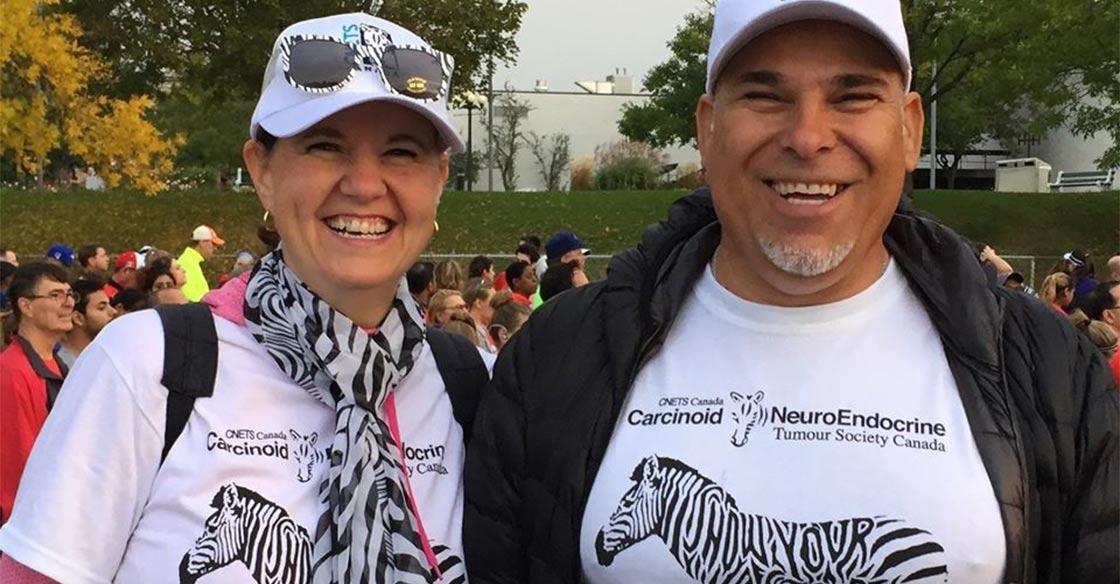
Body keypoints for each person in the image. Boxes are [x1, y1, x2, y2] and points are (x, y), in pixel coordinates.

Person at [464, 1, 1118, 582]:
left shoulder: (1053, 373)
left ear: (911, 128)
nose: (808, 137)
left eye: (853, 96)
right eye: (765, 95)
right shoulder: (554, 361)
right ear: (707, 126)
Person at [0, 12, 483, 583]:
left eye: (402, 152)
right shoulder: (146, 367)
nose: (364, 184)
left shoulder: (467, 381)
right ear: (262, 172)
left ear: (439, 179)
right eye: (325, 145)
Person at [0, 262, 73, 524]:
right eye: (55, 295)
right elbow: (15, 469)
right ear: (26, 306)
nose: (68, 303)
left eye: (69, 294)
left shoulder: (58, 365)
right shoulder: (12, 372)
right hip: (32, 527)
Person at [57, 277, 117, 369]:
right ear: (78, 318)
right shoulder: (62, 365)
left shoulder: (106, 357)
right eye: (101, 308)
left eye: (110, 305)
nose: (113, 311)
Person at [178, 225, 225, 302]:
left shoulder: (191, 261)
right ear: (202, 242)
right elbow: (191, 297)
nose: (215, 248)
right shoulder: (188, 263)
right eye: (213, 244)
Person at [463, 277, 497, 352]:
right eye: (493, 301)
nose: (496, 305)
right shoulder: (471, 332)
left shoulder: (484, 329)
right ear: (478, 303)